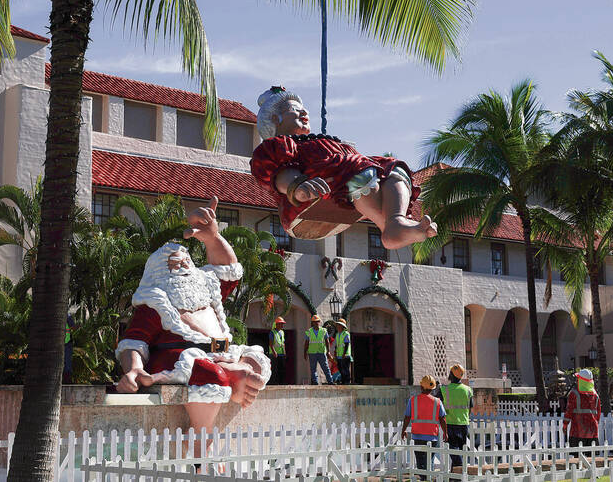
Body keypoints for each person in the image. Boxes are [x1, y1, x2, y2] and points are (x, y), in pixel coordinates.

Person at [114, 197, 271, 455]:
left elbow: (228, 270)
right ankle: (200, 440)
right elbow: (134, 341)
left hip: (218, 349)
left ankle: (234, 371)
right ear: (160, 273)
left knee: (254, 361)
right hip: (180, 358)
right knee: (213, 376)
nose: (184, 267)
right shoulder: (155, 302)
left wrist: (212, 237)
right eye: (175, 264)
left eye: (186, 262)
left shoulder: (205, 287)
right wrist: (133, 370)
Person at [250, 87, 437, 249]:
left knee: (391, 167)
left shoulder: (324, 141)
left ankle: (395, 222)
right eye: (295, 110)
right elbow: (278, 171)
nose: (304, 112)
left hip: (346, 177)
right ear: (276, 118)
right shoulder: (279, 145)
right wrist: (296, 186)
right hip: (311, 192)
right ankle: (390, 226)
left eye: (304, 109)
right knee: (358, 168)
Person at [400, 375, 449, 477]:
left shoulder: (413, 400)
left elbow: (407, 417)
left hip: (417, 436)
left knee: (420, 462)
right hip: (432, 437)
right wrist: (445, 432)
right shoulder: (437, 402)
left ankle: (424, 478)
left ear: (421, 387)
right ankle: (428, 478)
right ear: (432, 389)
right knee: (429, 461)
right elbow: (442, 419)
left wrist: (403, 430)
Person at [439, 364, 473, 468]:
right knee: (459, 450)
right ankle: (455, 476)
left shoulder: (444, 389)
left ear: (451, 375)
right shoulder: (468, 390)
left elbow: (437, 403)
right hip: (464, 424)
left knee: (453, 450)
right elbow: (470, 407)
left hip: (450, 423)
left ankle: (461, 470)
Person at [563, 368, 601, 447]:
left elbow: (569, 411)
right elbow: (598, 414)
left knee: (577, 457)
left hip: (577, 431)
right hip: (592, 431)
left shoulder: (574, 393)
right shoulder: (595, 395)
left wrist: (565, 424)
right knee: (591, 457)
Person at [304, 315, 333, 385]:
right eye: (314, 322)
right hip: (312, 352)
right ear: (312, 323)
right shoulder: (309, 331)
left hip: (321, 352)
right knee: (313, 369)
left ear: (319, 322)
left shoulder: (324, 331)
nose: (316, 323)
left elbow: (327, 341)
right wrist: (305, 353)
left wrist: (328, 351)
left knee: (325, 367)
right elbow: (306, 343)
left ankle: (330, 381)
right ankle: (315, 382)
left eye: (317, 321)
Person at [333, 318, 353, 385]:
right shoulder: (337, 334)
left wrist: (344, 354)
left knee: (345, 370)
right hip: (339, 355)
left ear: (342, 326)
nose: (337, 326)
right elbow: (336, 345)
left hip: (345, 355)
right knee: (341, 369)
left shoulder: (346, 334)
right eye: (337, 325)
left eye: (339, 325)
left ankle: (347, 382)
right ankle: (343, 382)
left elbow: (346, 344)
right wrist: (335, 354)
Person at [268, 316, 287, 385]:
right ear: (277, 324)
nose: (282, 325)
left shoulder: (282, 332)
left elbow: (283, 343)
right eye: (281, 324)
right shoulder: (272, 332)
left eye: (282, 324)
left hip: (281, 354)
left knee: (281, 369)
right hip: (274, 354)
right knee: (274, 369)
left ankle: (281, 383)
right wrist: (274, 352)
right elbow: (270, 343)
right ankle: (273, 383)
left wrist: (284, 352)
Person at [62, 313, 75, 384]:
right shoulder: (67, 315)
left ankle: (67, 379)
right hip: (65, 343)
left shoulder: (67, 315)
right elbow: (73, 326)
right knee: (67, 362)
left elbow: (73, 326)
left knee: (67, 363)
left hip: (66, 342)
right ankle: (66, 379)